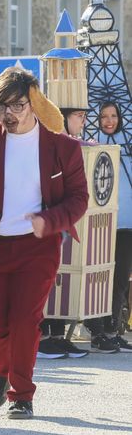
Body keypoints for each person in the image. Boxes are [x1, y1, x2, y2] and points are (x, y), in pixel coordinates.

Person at [0, 69, 88, 420]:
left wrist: (50, 220)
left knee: (26, 321)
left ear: (35, 102)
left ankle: (21, 394)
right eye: (2, 106)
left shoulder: (63, 146)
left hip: (38, 246)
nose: (9, 114)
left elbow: (78, 199)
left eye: (18, 105)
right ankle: (5, 368)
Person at [37, 105, 93, 359]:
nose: (82, 122)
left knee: (60, 279)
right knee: (44, 280)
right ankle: (41, 336)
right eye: (78, 117)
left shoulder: (72, 146)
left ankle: (58, 335)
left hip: (63, 220)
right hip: (42, 221)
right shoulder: (47, 146)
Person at [84, 101, 132, 352]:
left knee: (121, 278)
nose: (109, 120)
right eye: (104, 116)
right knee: (98, 277)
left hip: (127, 223)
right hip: (101, 222)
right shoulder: (91, 143)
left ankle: (113, 328)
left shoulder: (128, 143)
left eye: (114, 115)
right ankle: (98, 329)